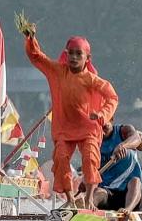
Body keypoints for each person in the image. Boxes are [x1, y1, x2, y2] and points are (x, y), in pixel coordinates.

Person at [22, 28, 119, 207]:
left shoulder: (92, 80)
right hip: (64, 129)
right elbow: (37, 57)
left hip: (88, 129)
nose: (73, 57)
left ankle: (90, 199)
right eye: (70, 53)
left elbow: (112, 97)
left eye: (78, 54)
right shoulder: (58, 71)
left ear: (87, 58)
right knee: (60, 159)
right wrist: (31, 38)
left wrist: (102, 115)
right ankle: (71, 201)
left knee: (90, 159)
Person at [94, 122, 142, 212]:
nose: (102, 130)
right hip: (109, 192)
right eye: (99, 126)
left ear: (111, 119)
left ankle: (127, 211)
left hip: (132, 194)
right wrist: (87, 181)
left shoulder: (124, 131)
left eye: (105, 126)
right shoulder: (93, 141)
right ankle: (84, 210)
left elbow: (137, 138)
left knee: (135, 181)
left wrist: (123, 145)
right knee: (98, 192)